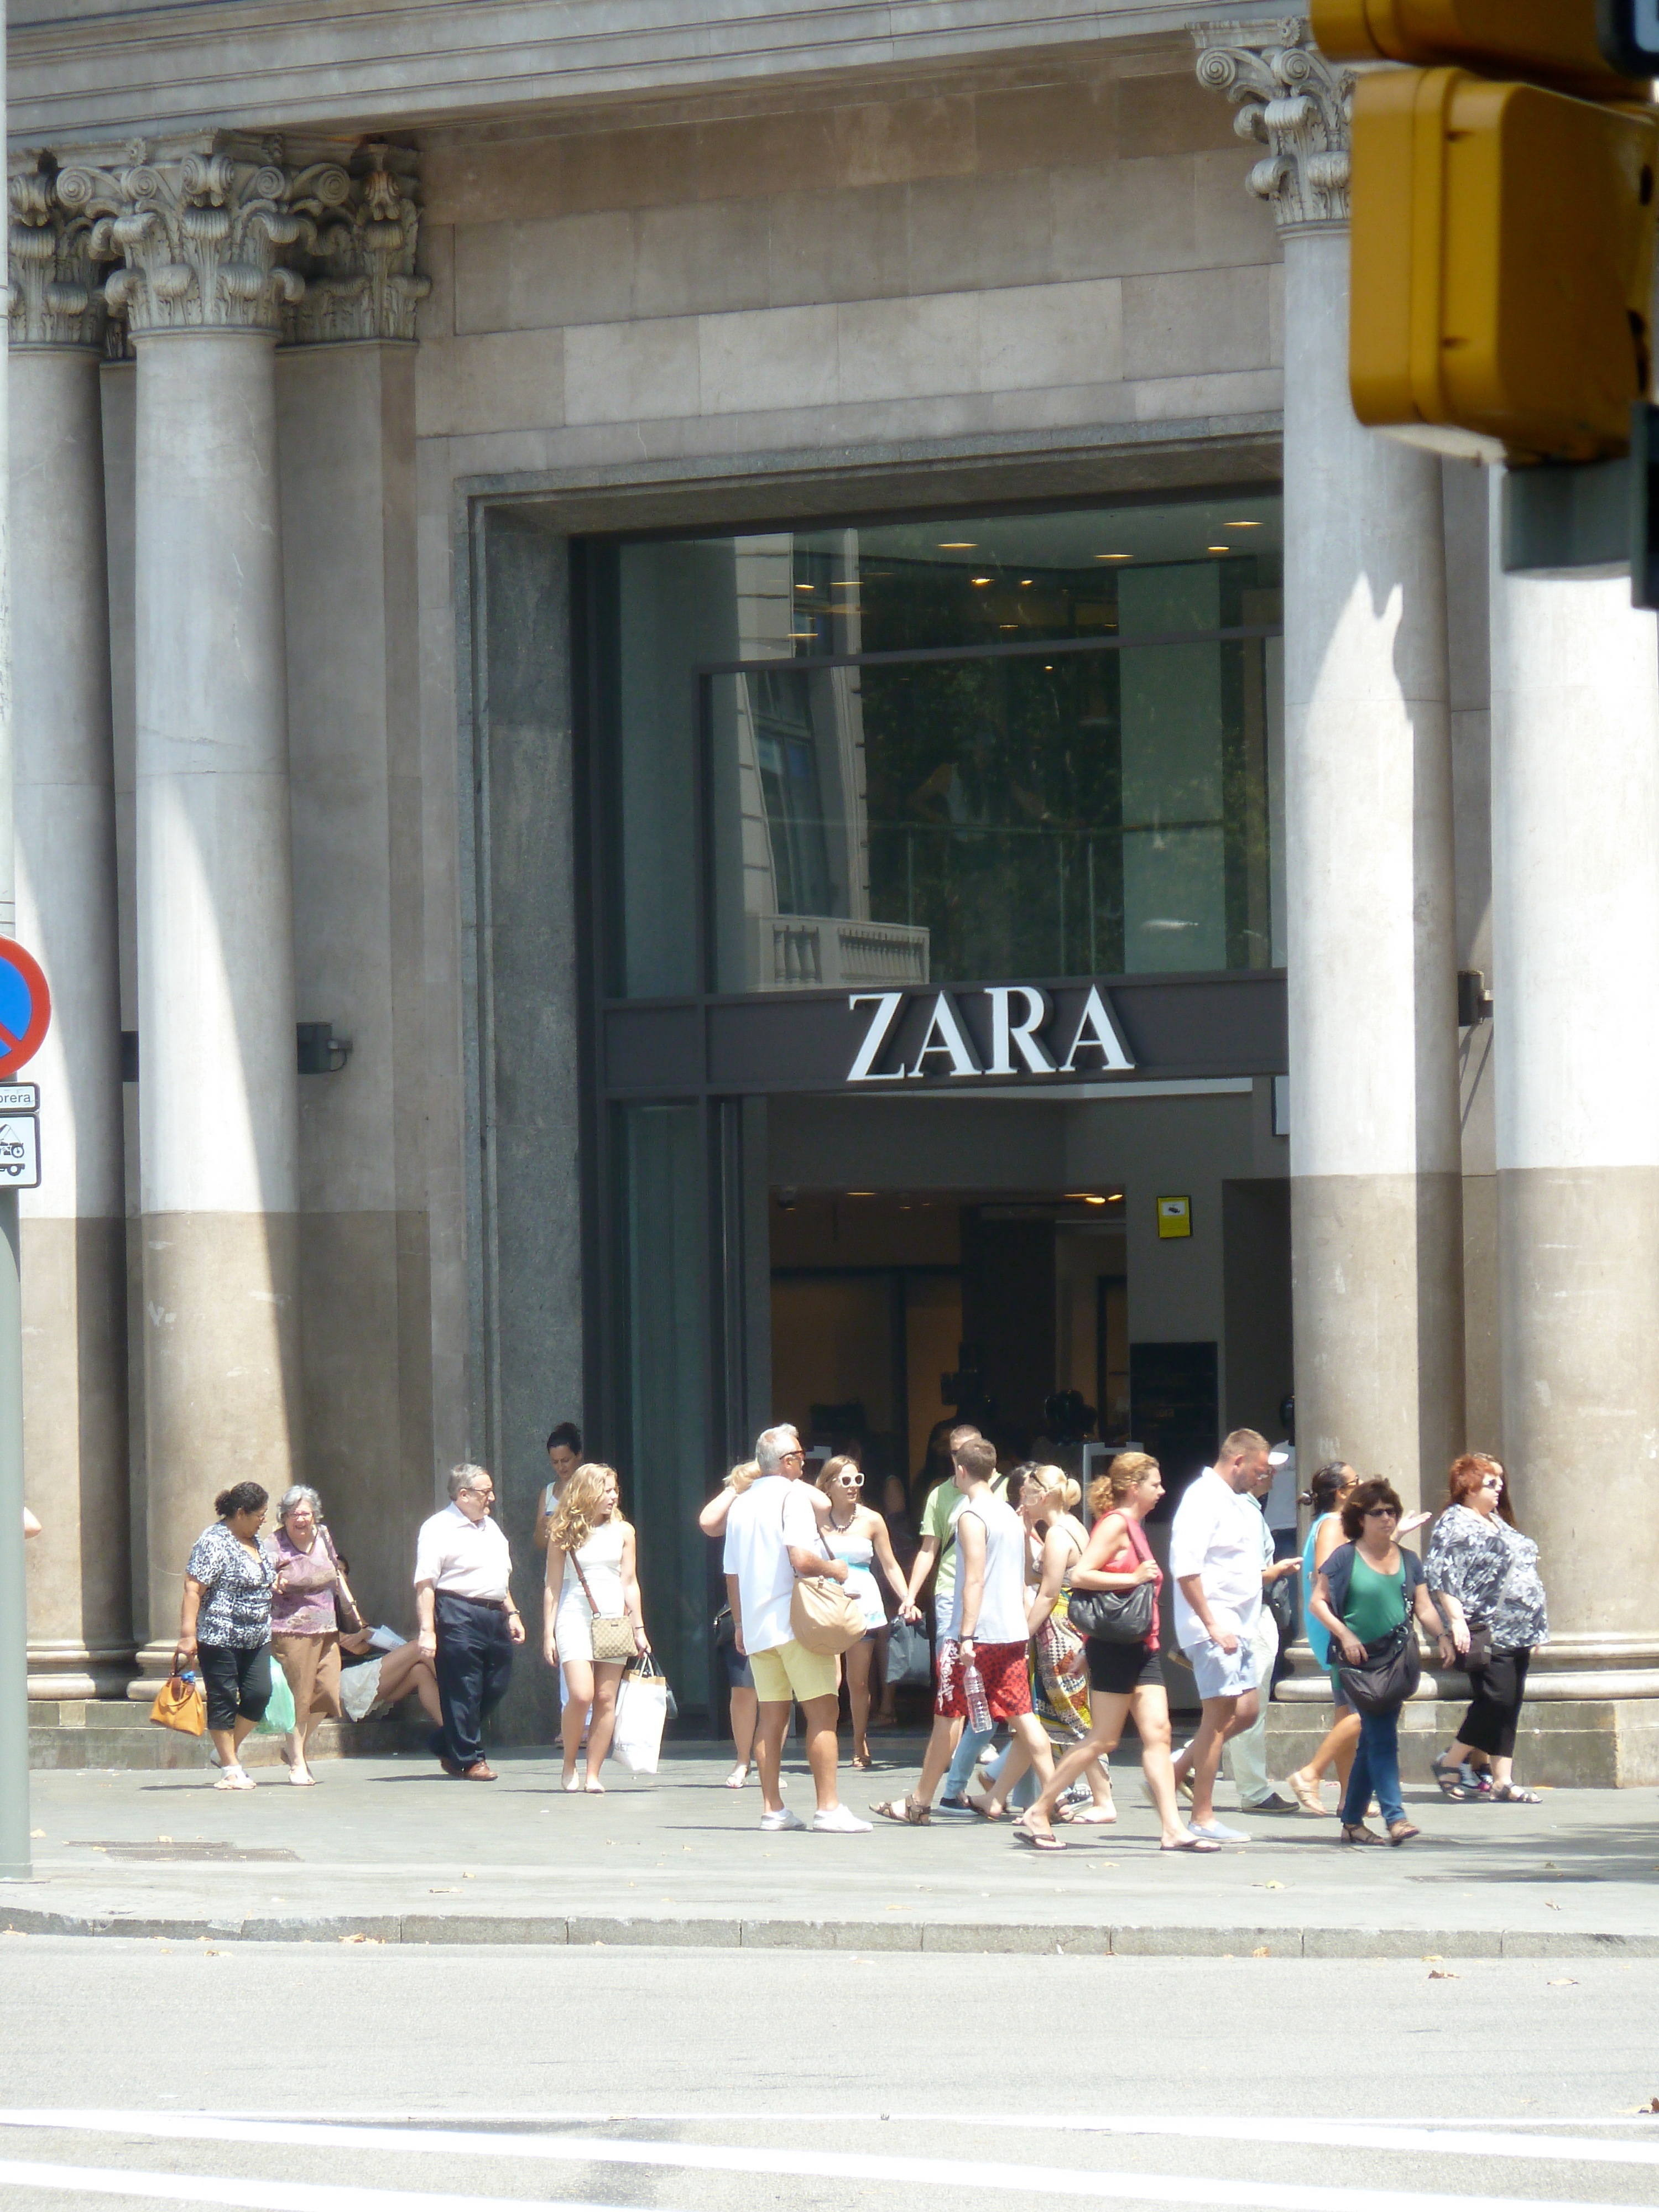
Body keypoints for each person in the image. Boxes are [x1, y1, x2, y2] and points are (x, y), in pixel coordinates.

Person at [1017, 1453, 1215, 1853]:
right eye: (1155, 1484)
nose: (1162, 1491)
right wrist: (1132, 1577)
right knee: (1103, 1739)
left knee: (1158, 1734)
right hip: (1115, 1648)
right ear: (1133, 1486)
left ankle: (1173, 1828)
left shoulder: (1135, 1527)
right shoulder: (1115, 1524)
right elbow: (1082, 1575)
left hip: (1143, 1646)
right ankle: (1039, 1809)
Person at [871, 1437, 1054, 1826]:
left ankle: (920, 1802)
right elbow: (1023, 1574)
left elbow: (973, 1580)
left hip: (976, 1635)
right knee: (1024, 1718)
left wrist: (966, 1635)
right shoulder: (1009, 1514)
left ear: (961, 1469)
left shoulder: (972, 1517)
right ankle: (1050, 1799)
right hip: (1010, 1633)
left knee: (947, 1719)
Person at [723, 1423, 870, 1833]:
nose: (804, 1465)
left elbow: (731, 1575)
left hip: (756, 1626)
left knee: (771, 1716)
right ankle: (829, 1807)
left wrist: (738, 1624)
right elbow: (802, 1560)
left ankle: (773, 1809)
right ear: (787, 1463)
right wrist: (835, 1568)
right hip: (796, 1623)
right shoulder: (791, 1497)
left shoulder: (741, 1504)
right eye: (801, 1458)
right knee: (823, 1710)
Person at [1311, 1474, 1454, 1845]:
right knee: (1383, 1739)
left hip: (1395, 1661)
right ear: (1361, 1518)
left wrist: (1443, 1637)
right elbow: (1317, 1602)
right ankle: (1396, 1816)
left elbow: (1424, 1606)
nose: (1387, 1518)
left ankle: (1352, 1821)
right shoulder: (1344, 1558)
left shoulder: (1408, 1559)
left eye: (1391, 1511)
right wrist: (1345, 1634)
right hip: (1357, 1662)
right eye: (1378, 1513)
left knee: (1371, 1743)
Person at [972, 1466, 1114, 1822]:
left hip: (1058, 1637)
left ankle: (1103, 1800)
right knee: (1036, 1722)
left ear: (1043, 1495)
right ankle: (997, 1796)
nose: (1022, 1497)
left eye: (1026, 1491)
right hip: (1065, 1632)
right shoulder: (1067, 1529)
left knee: (1074, 1719)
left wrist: (1020, 1635)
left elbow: (1048, 1593)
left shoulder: (1059, 1535)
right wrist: (1025, 1534)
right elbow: (1035, 1575)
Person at [1166, 1428, 1272, 1844]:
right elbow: (1187, 1568)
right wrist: (1211, 1623)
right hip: (1216, 1627)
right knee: (1217, 1719)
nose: (1261, 1478)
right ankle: (1203, 1816)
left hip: (1237, 1627)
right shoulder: (1203, 1498)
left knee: (1245, 1711)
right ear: (1238, 1461)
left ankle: (1173, 1774)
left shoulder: (1231, 1500)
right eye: (1259, 1470)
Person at [1425, 1454, 1549, 1804]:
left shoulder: (1495, 1521)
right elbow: (1442, 1576)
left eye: (1500, 1482)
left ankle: (1502, 1779)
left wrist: (1537, 1625)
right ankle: (1450, 1761)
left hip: (1520, 1628)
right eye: (1491, 1483)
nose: (1499, 1489)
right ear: (1469, 1486)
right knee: (1495, 1699)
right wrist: (1456, 1621)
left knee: (1511, 1704)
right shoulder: (1455, 1523)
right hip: (1487, 1626)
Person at [543, 1462, 650, 1792]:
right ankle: (569, 1764)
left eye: (614, 1490)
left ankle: (593, 1773)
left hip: (615, 1618)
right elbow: (553, 1585)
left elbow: (629, 1581)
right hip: (575, 1614)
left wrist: (639, 1628)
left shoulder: (624, 1532)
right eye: (606, 1490)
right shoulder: (564, 1530)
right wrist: (548, 1632)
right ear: (587, 1492)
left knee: (606, 1698)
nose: (613, 1496)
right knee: (581, 1694)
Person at [414, 1463, 526, 1780]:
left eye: (492, 1491)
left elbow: (498, 1577)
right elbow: (425, 1583)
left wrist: (513, 1612)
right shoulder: (438, 1528)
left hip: (494, 1613)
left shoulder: (490, 1527)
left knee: (496, 1684)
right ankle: (470, 1760)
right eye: (484, 1492)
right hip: (457, 1611)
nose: (491, 1497)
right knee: (464, 1688)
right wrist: (427, 1631)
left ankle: (445, 1742)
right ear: (463, 1495)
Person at [175, 1481, 276, 1792]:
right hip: (220, 1635)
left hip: (257, 1635)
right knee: (223, 1699)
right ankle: (231, 1769)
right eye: (260, 1514)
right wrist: (188, 1635)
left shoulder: (255, 1540)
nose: (264, 1520)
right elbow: (194, 1588)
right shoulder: (214, 1541)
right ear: (241, 1513)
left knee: (260, 1694)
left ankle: (225, 1752)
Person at [817, 1457, 911, 1768]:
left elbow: (889, 1564)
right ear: (828, 1485)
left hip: (862, 1605)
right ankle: (827, 1742)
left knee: (858, 1682)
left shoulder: (872, 1520)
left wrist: (907, 1597)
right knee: (831, 1680)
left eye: (858, 1480)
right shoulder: (814, 1518)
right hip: (825, 1603)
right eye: (845, 1481)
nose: (853, 1487)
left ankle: (860, 1740)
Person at [1223, 1454, 1305, 1814]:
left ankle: (1189, 1764)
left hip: (1247, 1616)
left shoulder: (1244, 1509)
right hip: (1250, 1616)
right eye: (1266, 1468)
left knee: (1236, 1708)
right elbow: (1250, 1576)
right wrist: (1277, 1572)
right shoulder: (1246, 1513)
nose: (1272, 1474)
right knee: (1249, 1709)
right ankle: (1254, 1791)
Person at [1284, 1462, 1361, 1815]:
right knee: (1368, 1710)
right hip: (1339, 1625)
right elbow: (1327, 1573)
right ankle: (1310, 1773)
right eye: (1356, 1482)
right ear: (1342, 1492)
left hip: (1338, 1625)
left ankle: (1349, 1796)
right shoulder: (1332, 1524)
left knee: (1346, 1710)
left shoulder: (1336, 1524)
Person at [269, 1484, 359, 1787]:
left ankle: (295, 1750)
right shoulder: (274, 1543)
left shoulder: (323, 1535)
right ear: (284, 1517)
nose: (300, 1519)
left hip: (327, 1627)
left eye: (305, 1513)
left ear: (315, 1515)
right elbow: (267, 1580)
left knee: (326, 1693)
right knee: (299, 1698)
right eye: (294, 1514)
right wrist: (280, 1583)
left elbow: (334, 1570)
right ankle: (298, 1761)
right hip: (290, 1630)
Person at [532, 1423, 583, 1551]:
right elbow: (540, 1544)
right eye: (555, 1462)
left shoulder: (590, 1488)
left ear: (579, 1455)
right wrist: (544, 1526)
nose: (561, 1467)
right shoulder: (548, 1492)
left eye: (566, 1460)